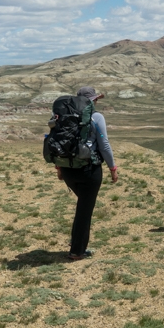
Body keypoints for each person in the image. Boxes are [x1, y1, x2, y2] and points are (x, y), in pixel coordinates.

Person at [55, 86, 118, 259]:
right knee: (85, 210)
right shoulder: (96, 117)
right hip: (89, 171)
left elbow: (58, 144)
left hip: (68, 170)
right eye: (96, 99)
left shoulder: (65, 116)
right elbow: (104, 145)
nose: (97, 102)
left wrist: (59, 168)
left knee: (82, 207)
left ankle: (76, 241)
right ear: (92, 100)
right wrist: (113, 168)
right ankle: (77, 251)